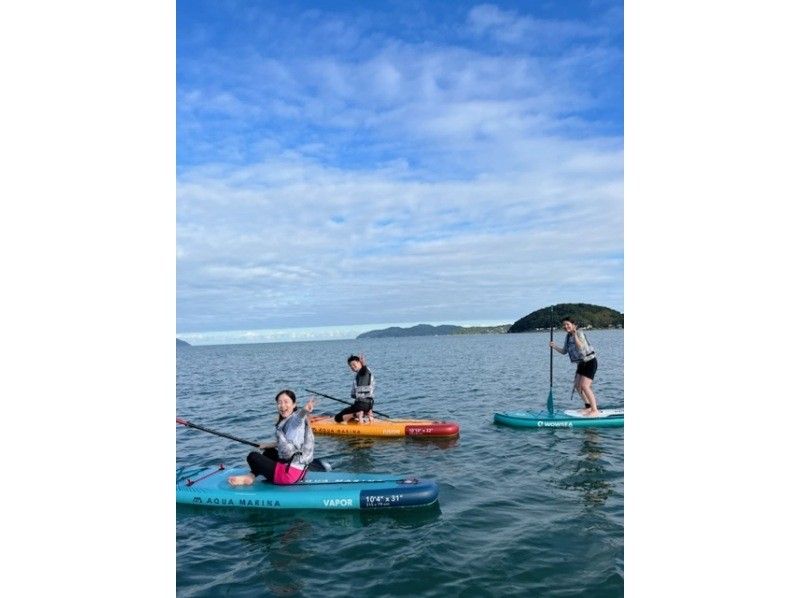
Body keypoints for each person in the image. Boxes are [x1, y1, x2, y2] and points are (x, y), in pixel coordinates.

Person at [228, 389, 316, 486]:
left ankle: (250, 477)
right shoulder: (288, 422)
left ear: (294, 404)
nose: (282, 406)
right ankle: (250, 477)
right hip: (299, 471)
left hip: (288, 476)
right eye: (279, 403)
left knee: (253, 457)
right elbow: (289, 444)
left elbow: (299, 418)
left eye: (286, 402)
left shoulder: (294, 421)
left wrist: (305, 410)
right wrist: (267, 445)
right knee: (269, 452)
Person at [549, 317, 600, 416]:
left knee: (585, 386)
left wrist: (575, 334)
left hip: (590, 362)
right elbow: (564, 351)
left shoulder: (579, 333)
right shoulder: (567, 337)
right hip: (581, 364)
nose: (565, 326)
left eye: (568, 324)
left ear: (573, 325)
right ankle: (588, 406)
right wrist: (554, 346)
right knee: (577, 386)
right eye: (564, 325)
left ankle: (595, 410)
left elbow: (581, 347)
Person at [334, 354, 375, 424]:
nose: (352, 367)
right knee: (350, 415)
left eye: (354, 364)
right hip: (369, 405)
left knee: (337, 418)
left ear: (359, 362)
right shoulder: (365, 374)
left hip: (361, 405)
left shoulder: (363, 371)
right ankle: (366, 415)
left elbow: (363, 370)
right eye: (350, 366)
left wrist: (363, 364)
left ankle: (357, 414)